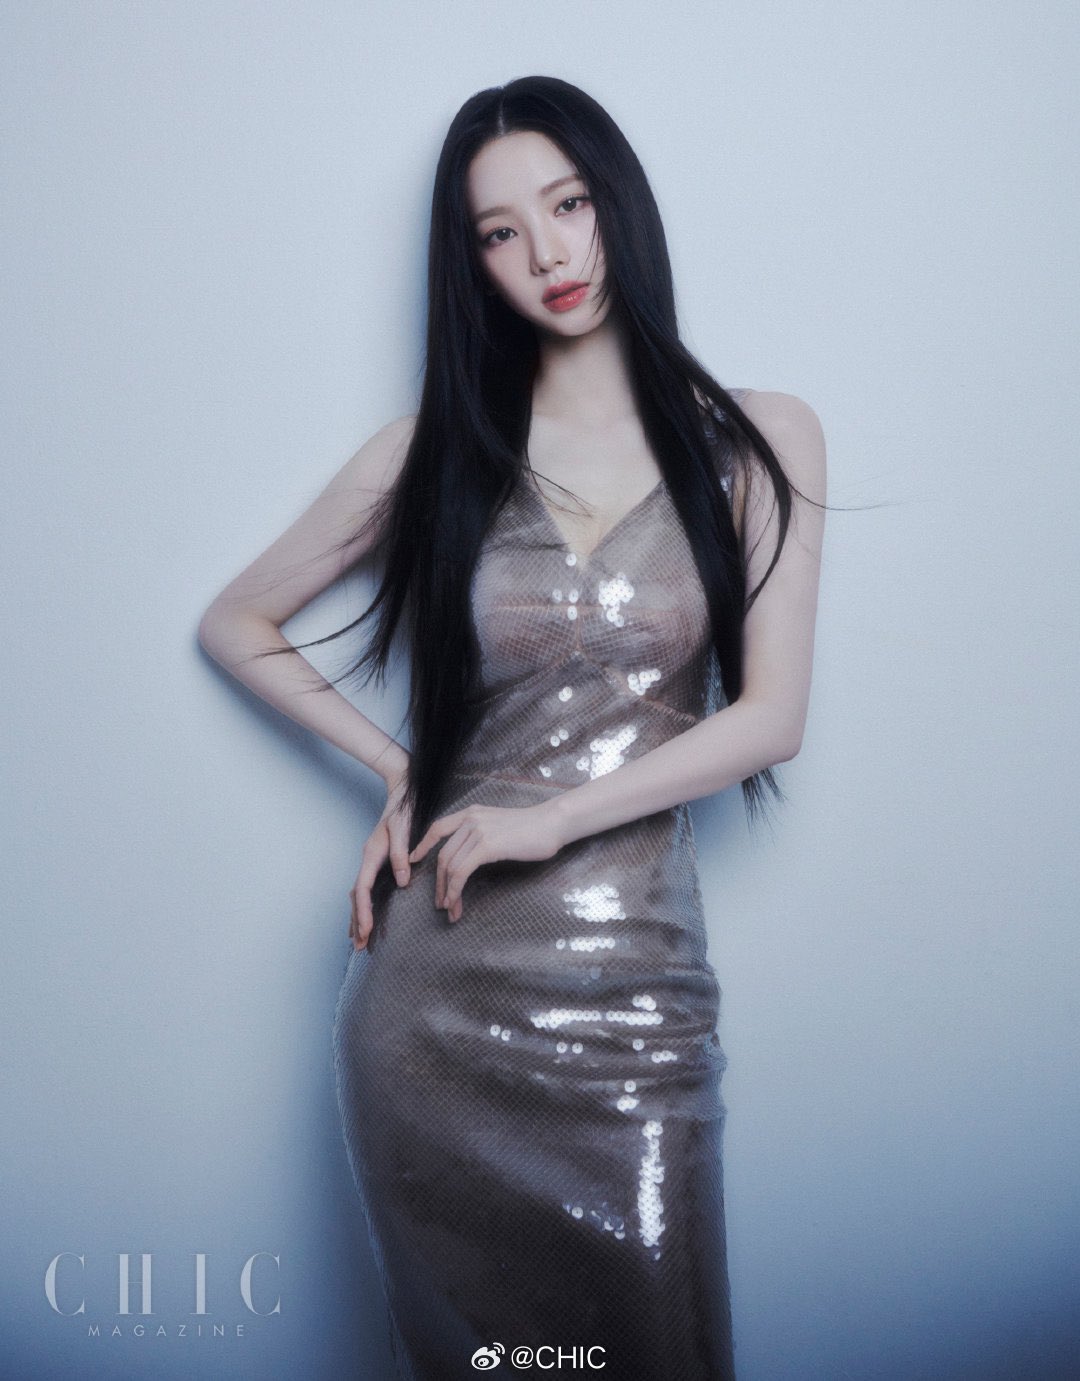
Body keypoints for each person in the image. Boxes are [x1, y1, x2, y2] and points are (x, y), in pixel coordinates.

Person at [199, 74, 826, 1381]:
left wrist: (554, 819)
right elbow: (235, 621)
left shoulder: (760, 440)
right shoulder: (430, 452)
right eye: (500, 231)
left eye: (569, 204)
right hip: (437, 1007)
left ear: (618, 207)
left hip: (640, 1006)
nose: (546, 252)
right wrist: (404, 769)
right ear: (470, 262)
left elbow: (772, 720)